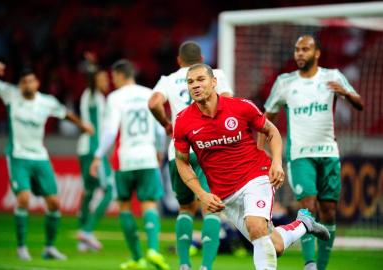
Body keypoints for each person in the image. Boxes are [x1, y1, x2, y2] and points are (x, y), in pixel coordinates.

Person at [173, 63, 330, 270]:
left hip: (256, 175)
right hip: (225, 194)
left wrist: (276, 162)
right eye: (190, 81)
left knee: (256, 226)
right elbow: (182, 162)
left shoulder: (240, 107)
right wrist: (202, 194)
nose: (195, 85)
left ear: (214, 82)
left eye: (201, 79)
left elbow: (271, 132)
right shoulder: (183, 121)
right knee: (274, 246)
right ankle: (303, 224)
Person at [259, 35, 364, 270]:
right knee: (308, 204)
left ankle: (322, 266)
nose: (300, 54)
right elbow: (266, 118)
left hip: (328, 153)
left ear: (316, 53)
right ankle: (310, 264)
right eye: (297, 50)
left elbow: (359, 104)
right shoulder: (285, 82)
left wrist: (345, 94)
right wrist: (259, 149)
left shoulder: (333, 76)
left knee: (328, 210)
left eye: (305, 49)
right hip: (299, 155)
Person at [0, 61, 93, 261]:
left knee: (55, 203)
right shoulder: (10, 94)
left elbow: (64, 114)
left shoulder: (46, 102)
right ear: (20, 84)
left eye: (30, 81)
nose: (27, 85)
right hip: (18, 156)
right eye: (24, 82)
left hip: (40, 157)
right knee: (23, 199)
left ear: (37, 83)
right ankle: (21, 247)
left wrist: (82, 125)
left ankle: (49, 248)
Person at [148, 40, 233, 270]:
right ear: (202, 59)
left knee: (185, 209)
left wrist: (166, 123)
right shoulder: (215, 74)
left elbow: (154, 102)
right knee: (211, 208)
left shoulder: (168, 79)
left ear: (179, 60)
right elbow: (229, 102)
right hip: (209, 148)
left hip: (179, 150)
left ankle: (184, 265)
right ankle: (206, 266)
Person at [90, 59, 169, 270]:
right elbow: (161, 129)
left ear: (119, 75)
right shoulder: (148, 93)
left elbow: (109, 131)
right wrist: (160, 150)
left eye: (114, 77)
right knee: (149, 204)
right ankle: (153, 250)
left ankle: (137, 258)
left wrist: (98, 155)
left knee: (125, 206)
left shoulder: (115, 98)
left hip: (124, 159)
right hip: (147, 157)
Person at [76, 68, 114, 251]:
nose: (107, 81)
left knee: (89, 191)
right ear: (94, 81)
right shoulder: (92, 95)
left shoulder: (95, 96)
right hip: (93, 150)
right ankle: (87, 231)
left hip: (85, 148)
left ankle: (82, 239)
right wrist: (91, 68)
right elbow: (91, 83)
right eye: (103, 78)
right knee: (110, 189)